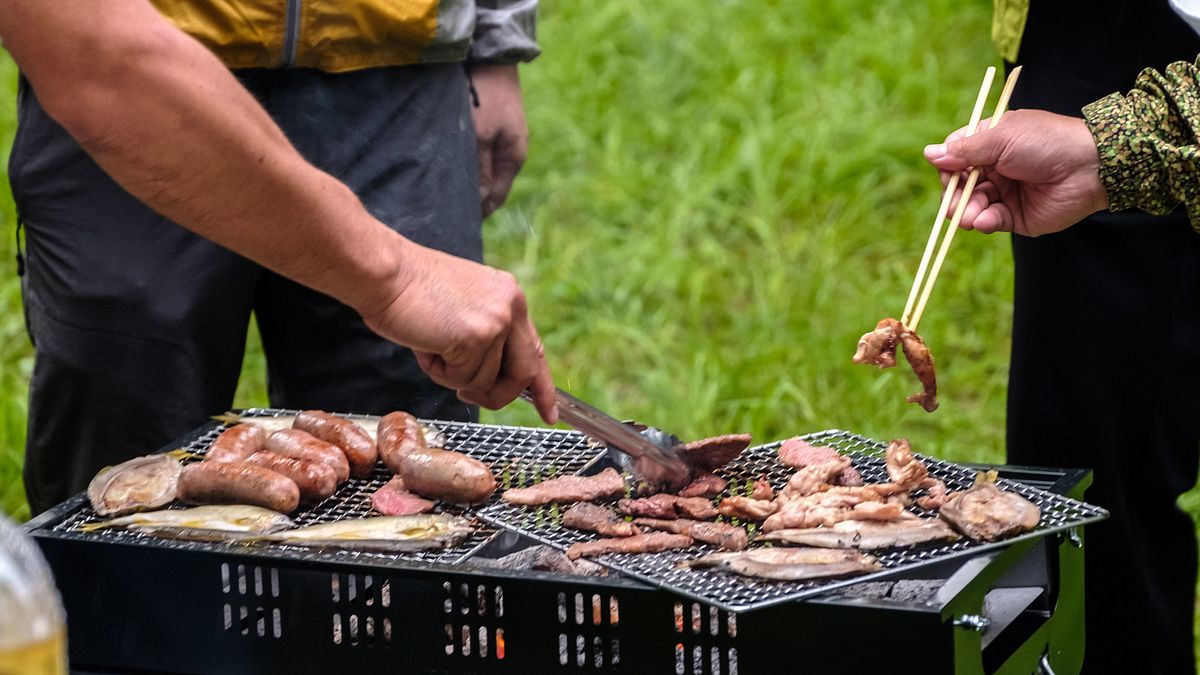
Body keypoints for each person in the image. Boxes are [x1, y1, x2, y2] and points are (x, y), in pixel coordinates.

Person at [0, 1, 558, 515]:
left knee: (403, 467)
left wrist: (496, 42)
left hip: (397, 54)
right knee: (125, 442)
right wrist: (399, 279)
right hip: (132, 63)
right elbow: (91, 51)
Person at [925, 5, 1200, 670]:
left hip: (1164, 41)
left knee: (1111, 494)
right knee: (1064, 461)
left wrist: (1115, 147)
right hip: (1064, 31)